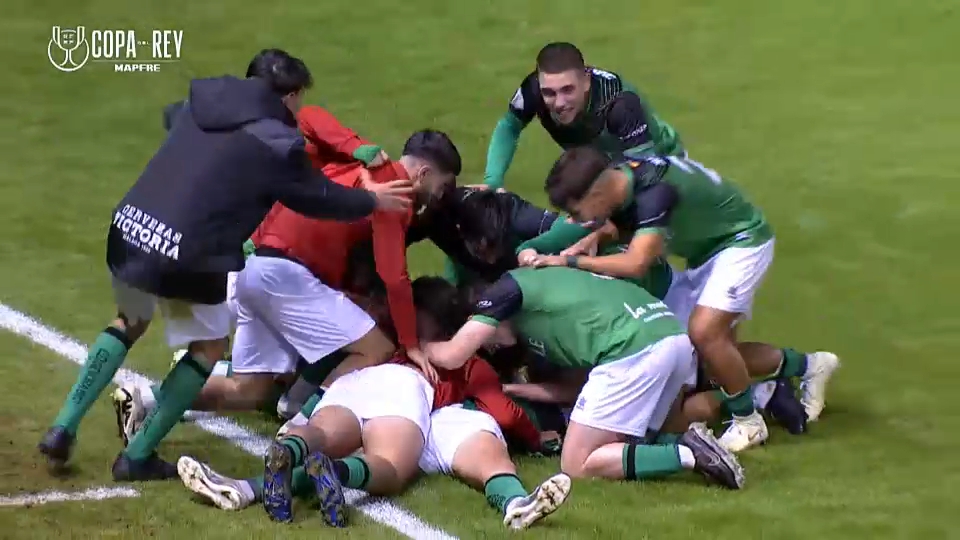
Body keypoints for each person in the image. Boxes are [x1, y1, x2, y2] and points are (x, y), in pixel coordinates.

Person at [37, 49, 413, 482]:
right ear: (288, 96)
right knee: (209, 349)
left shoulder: (203, 100)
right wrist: (373, 199)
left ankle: (63, 426)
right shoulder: (277, 141)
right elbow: (317, 199)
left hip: (132, 226)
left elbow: (173, 124)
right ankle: (137, 456)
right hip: (191, 251)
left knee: (129, 320)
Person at [112, 131, 461, 443]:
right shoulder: (394, 192)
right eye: (442, 187)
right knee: (377, 347)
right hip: (287, 276)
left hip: (255, 268)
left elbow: (310, 119)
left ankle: (145, 397)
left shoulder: (354, 160)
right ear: (422, 174)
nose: (440, 197)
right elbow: (394, 276)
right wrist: (412, 344)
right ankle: (300, 422)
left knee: (249, 390)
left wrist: (352, 144)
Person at [176, 277, 572, 530]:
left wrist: (304, 412)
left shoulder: (390, 340)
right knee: (390, 466)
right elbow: (506, 413)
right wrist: (540, 439)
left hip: (354, 384)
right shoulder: (467, 362)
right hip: (405, 393)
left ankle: (271, 467)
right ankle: (514, 500)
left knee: (325, 434)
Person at [524, 148, 840, 451]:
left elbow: (636, 263)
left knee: (704, 333)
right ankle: (810, 365)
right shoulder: (623, 178)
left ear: (596, 193)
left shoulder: (654, 193)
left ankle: (748, 422)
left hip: (741, 241)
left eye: (577, 212)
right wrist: (591, 239)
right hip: (707, 251)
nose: (575, 219)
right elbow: (620, 225)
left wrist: (569, 262)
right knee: (711, 360)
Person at [423, 266, 745, 489]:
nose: (489, 346)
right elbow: (578, 390)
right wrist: (514, 388)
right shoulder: (549, 306)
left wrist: (416, 346)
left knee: (576, 464)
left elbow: (453, 354)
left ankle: (690, 453)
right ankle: (690, 443)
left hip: (635, 347)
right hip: (669, 336)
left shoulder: (507, 296)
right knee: (628, 443)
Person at [482, 41, 683, 190]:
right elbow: (509, 127)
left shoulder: (618, 103)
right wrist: (492, 182)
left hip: (660, 160)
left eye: (568, 90)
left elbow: (644, 172)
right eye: (549, 93)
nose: (559, 103)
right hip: (606, 165)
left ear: (586, 81)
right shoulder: (534, 90)